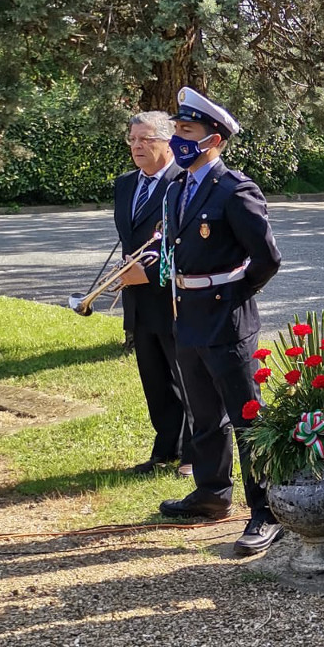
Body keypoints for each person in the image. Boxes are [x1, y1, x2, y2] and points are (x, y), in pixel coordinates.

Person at [121, 87, 283, 556]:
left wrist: (234, 295)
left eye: (186, 131)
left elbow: (267, 259)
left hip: (226, 319)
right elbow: (172, 253)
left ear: (213, 139)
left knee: (247, 417)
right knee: (204, 416)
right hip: (184, 316)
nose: (178, 138)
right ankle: (212, 493)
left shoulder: (235, 189)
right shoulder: (175, 190)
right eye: (177, 130)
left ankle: (265, 510)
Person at [113, 113, 190, 476]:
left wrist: (152, 273)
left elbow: (185, 244)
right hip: (139, 304)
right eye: (132, 140)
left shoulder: (184, 181)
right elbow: (131, 240)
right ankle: (165, 450)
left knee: (188, 380)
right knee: (155, 380)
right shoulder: (124, 184)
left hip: (175, 300)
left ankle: (193, 455)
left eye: (146, 139)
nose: (137, 146)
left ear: (168, 141)